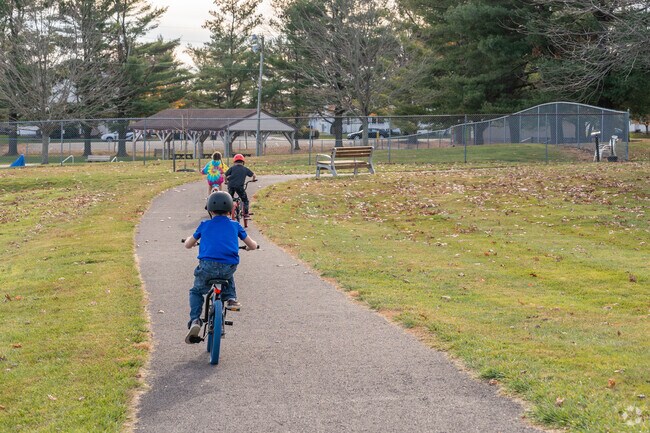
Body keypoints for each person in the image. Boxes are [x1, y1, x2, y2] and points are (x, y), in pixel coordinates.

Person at [183, 191, 258, 344]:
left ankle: (195, 320)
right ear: (231, 209)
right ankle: (231, 298)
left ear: (209, 210)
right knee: (227, 272)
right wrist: (253, 247)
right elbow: (252, 245)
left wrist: (189, 243)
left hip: (207, 267)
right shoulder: (235, 225)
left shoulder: (204, 225)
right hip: (228, 266)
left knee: (196, 291)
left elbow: (188, 244)